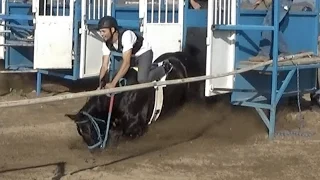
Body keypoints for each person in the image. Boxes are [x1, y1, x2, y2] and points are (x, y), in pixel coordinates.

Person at [97, 16, 173, 89]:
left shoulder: (126, 36)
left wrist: (113, 84)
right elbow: (104, 66)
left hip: (143, 53)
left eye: (104, 31)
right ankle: (151, 67)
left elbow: (126, 63)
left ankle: (165, 67)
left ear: (112, 30)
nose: (102, 34)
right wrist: (100, 85)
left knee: (143, 79)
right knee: (115, 75)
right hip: (131, 56)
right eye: (100, 31)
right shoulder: (106, 43)